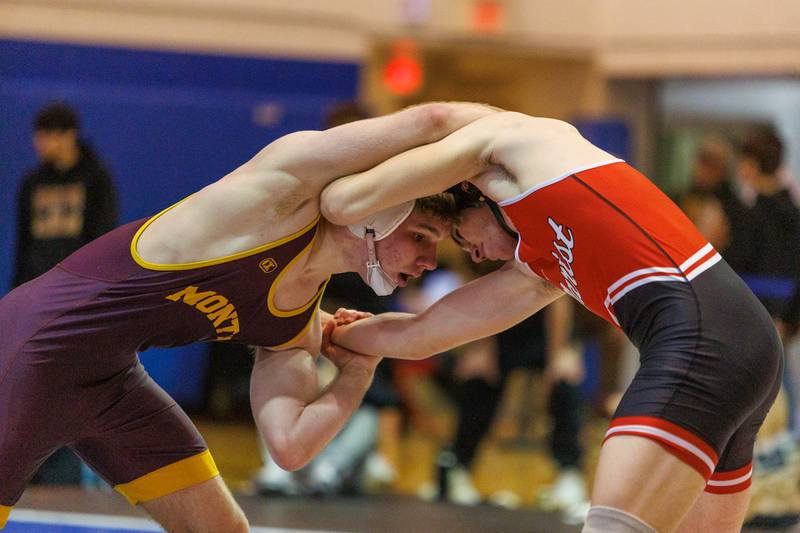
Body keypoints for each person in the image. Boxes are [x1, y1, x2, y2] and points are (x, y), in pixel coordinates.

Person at [0, 102, 493, 531]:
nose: (430, 261)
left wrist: (358, 372)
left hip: (108, 385)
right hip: (27, 353)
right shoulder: (277, 198)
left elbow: (290, 447)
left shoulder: (294, 323)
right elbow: (435, 119)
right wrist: (521, 137)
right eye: (421, 236)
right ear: (378, 210)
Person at [324, 109, 783, 533]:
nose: (474, 255)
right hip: (744, 346)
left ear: (475, 194)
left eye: (460, 237)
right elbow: (424, 334)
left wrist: (331, 193)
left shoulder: (530, 148)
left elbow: (436, 120)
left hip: (703, 342)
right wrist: (330, 330)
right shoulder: (539, 269)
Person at [12, 102, 119, 487]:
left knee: (72, 382)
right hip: (37, 297)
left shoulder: (96, 179)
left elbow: (104, 241)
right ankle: (31, 464)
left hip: (78, 298)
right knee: (32, 382)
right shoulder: (31, 182)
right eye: (38, 136)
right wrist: (18, 297)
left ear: (68, 136)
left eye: (46, 136)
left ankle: (71, 470)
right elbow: (23, 245)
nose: (39, 144)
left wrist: (94, 297)